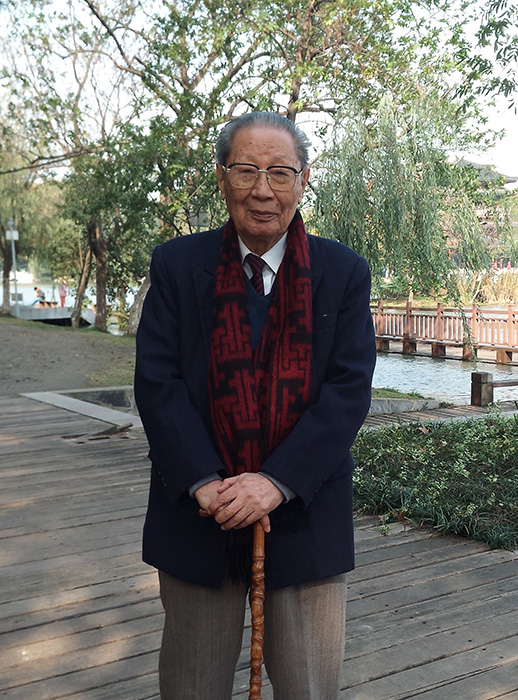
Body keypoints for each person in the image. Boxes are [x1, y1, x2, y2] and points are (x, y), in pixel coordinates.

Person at [134, 111, 376, 700]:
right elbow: (158, 383)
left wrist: (274, 482)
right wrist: (204, 484)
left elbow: (348, 391)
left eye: (280, 172)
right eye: (246, 170)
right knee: (191, 687)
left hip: (304, 514)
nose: (263, 190)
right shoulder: (176, 265)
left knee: (309, 688)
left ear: (303, 181)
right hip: (202, 513)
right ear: (222, 178)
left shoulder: (342, 272)